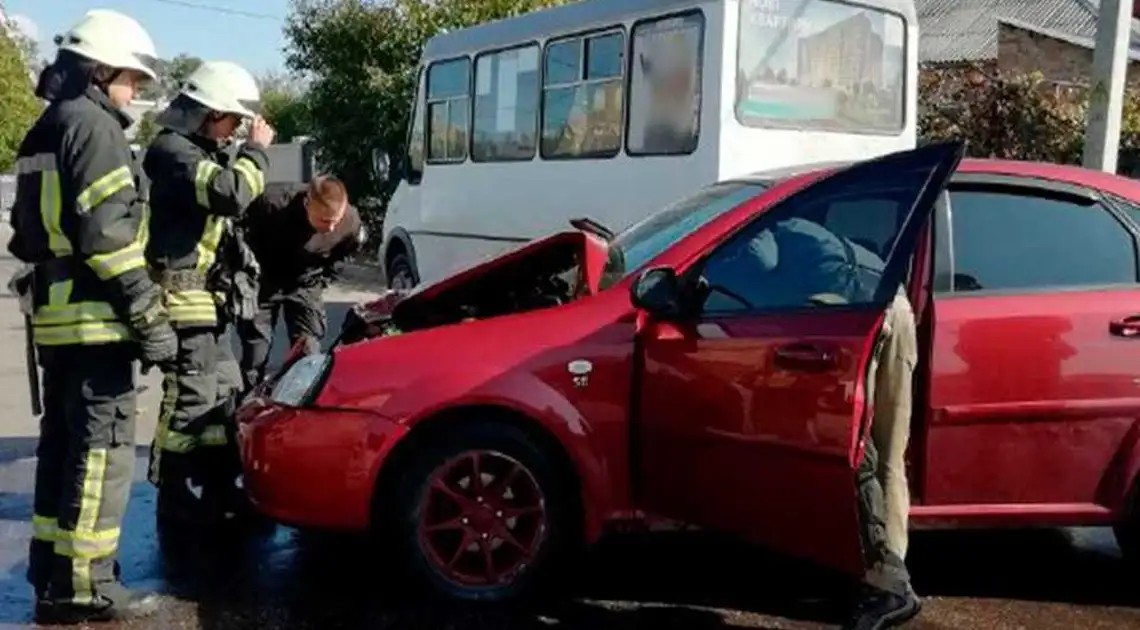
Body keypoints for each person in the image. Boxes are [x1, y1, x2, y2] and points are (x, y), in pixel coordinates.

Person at [6, 9, 173, 623]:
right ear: (102, 72)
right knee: (102, 451)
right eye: (132, 80)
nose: (136, 94)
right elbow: (110, 237)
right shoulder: (96, 128)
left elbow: (27, 234)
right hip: (99, 320)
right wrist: (147, 312)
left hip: (56, 321)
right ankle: (86, 585)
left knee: (63, 447)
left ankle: (51, 572)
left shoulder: (42, 129)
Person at [723, 217, 921, 629]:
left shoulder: (763, 224)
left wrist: (727, 260)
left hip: (862, 314)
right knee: (889, 449)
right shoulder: (803, 219)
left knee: (855, 447)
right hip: (895, 304)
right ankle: (888, 571)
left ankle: (886, 585)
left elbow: (760, 262)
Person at [142, 60, 274, 525]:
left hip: (208, 303)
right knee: (189, 396)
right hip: (182, 301)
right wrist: (256, 153)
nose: (236, 130)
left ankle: (219, 486)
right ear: (210, 112)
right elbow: (231, 193)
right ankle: (171, 491)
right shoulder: (172, 152)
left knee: (224, 395)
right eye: (233, 120)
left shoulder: (196, 151)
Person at [237, 176, 362, 390]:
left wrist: (324, 278)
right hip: (264, 281)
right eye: (324, 220)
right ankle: (247, 406)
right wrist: (243, 270)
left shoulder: (350, 221)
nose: (331, 227)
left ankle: (299, 404)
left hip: (306, 282)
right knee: (256, 352)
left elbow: (346, 251)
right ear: (307, 203)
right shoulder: (272, 202)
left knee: (308, 352)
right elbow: (238, 230)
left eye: (336, 220)